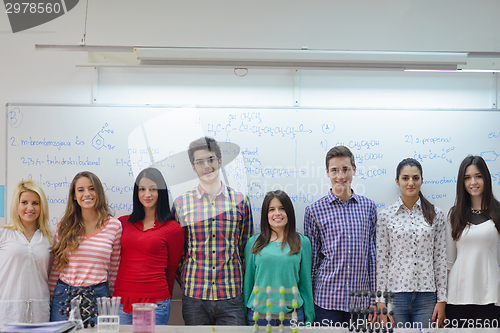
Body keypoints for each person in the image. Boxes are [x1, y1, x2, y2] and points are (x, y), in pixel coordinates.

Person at [173, 136, 254, 325]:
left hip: (231, 294)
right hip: (194, 295)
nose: (207, 166)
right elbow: (178, 252)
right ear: (193, 167)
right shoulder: (181, 203)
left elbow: (246, 249)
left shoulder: (241, 201)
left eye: (211, 160)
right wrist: (187, 279)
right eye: (200, 162)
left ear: (219, 161)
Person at [304, 145, 377, 326]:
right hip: (326, 301)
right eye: (335, 170)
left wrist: (375, 300)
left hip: (361, 302)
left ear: (353, 170)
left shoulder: (369, 207)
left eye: (345, 169)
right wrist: (310, 305)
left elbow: (373, 257)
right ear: (327, 172)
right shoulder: (314, 211)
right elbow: (313, 262)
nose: (340, 176)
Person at [376, 158, 447, 329]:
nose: (410, 183)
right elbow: (382, 261)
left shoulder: (436, 215)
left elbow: (440, 260)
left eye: (415, 178)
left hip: (427, 296)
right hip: (395, 297)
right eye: (405, 178)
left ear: (422, 180)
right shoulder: (385, 216)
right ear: (397, 181)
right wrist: (380, 301)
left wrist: (442, 300)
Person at [49, 171, 122, 322]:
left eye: (91, 188)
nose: (87, 194)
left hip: (98, 296)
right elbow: (57, 266)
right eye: (81, 190)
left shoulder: (114, 226)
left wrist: (111, 301)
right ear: (74, 196)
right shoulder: (64, 226)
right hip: (64, 294)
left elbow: (114, 270)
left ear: (99, 192)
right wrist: (50, 299)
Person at [114, 167, 184, 325]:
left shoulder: (173, 229)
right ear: (136, 193)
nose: (147, 194)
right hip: (121, 301)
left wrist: (162, 296)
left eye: (153, 189)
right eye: (142, 189)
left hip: (155, 303)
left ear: (161, 192)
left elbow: (172, 269)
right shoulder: (122, 223)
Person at [244, 190, 314, 326]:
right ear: (266, 214)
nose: (277, 213)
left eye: (282, 208)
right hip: (258, 317)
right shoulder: (254, 243)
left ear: (289, 212)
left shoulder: (302, 242)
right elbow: (248, 283)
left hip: (293, 316)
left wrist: (309, 318)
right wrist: (242, 316)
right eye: (272, 209)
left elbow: (305, 284)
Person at [446, 155, 500, 324]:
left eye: (478, 176)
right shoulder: (454, 214)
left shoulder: (498, 213)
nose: (473, 182)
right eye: (467, 178)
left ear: (486, 178)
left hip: (490, 295)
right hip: (458, 296)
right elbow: (448, 262)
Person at [0, 180, 53, 326]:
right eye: (24, 202)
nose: (30, 208)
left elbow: (51, 275)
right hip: (7, 311)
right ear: (16, 205)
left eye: (35, 203)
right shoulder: (3, 234)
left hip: (39, 311)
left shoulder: (50, 238)